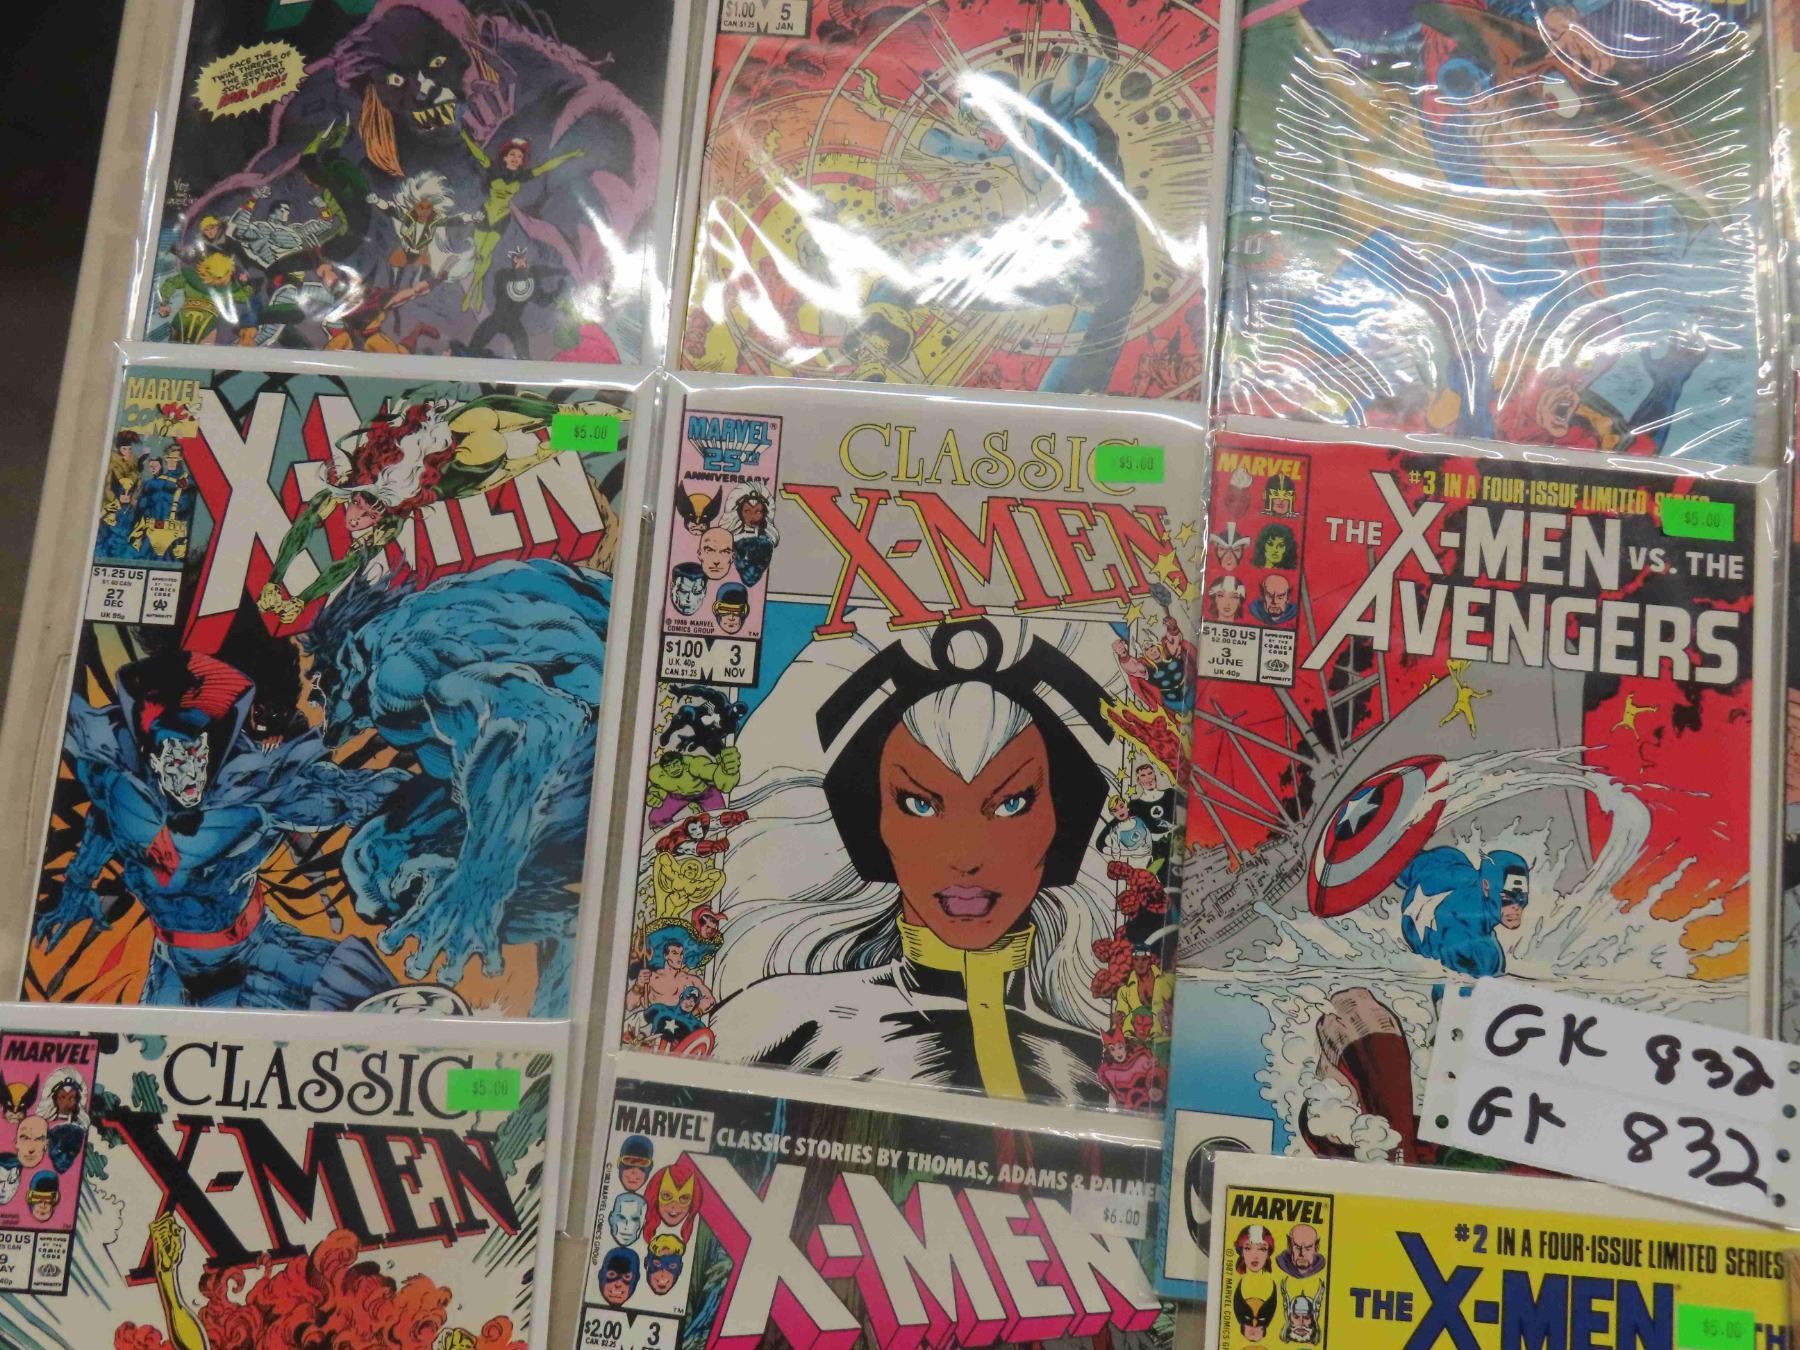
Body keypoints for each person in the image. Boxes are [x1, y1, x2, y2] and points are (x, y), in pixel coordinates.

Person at [704, 614, 1126, 1103]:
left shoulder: (1105, 1070)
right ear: (867, 826)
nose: (966, 857)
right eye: (920, 805)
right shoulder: (769, 1028)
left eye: (1012, 804)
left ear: (1067, 821)